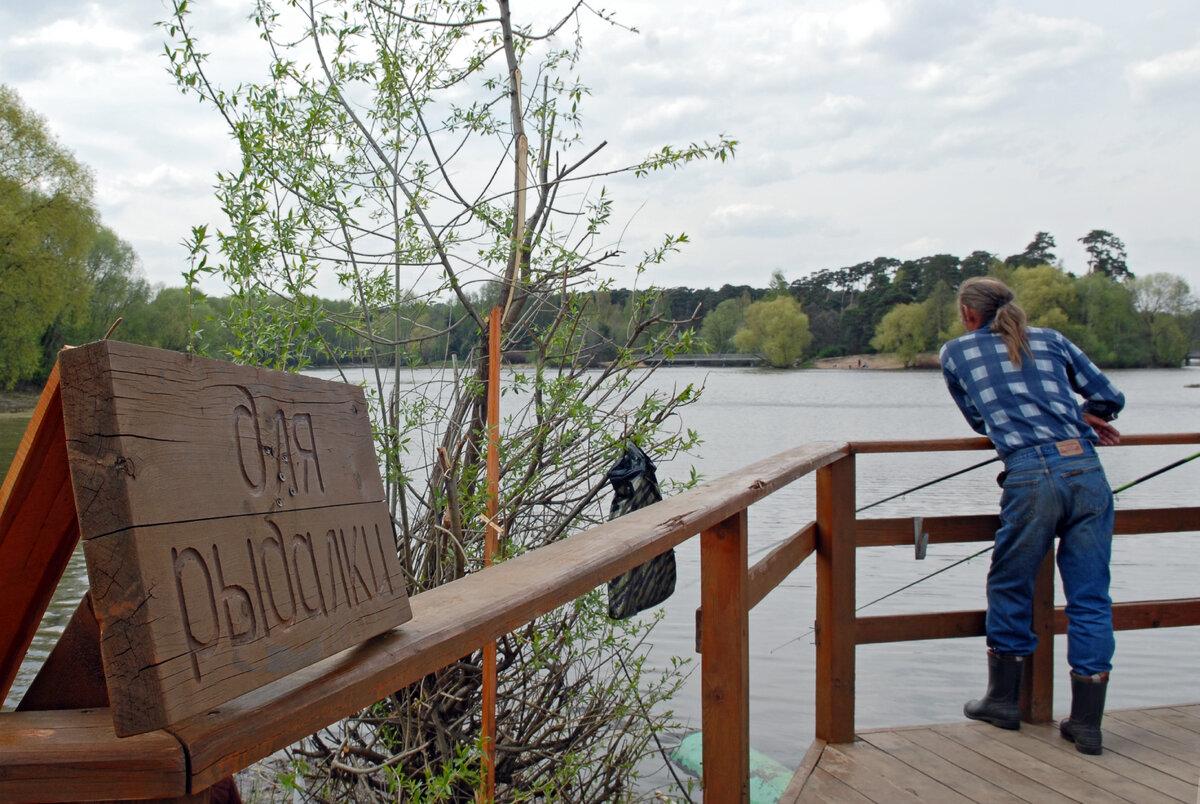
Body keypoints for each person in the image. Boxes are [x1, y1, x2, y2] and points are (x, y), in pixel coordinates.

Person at [939, 276, 1124, 755]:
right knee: (1090, 597)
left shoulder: (956, 353)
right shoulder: (1052, 339)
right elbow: (1108, 397)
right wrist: (1081, 413)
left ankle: (1003, 701)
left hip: (1029, 474)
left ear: (968, 314)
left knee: (1011, 582)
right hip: (1085, 468)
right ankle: (1086, 724)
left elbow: (980, 419)